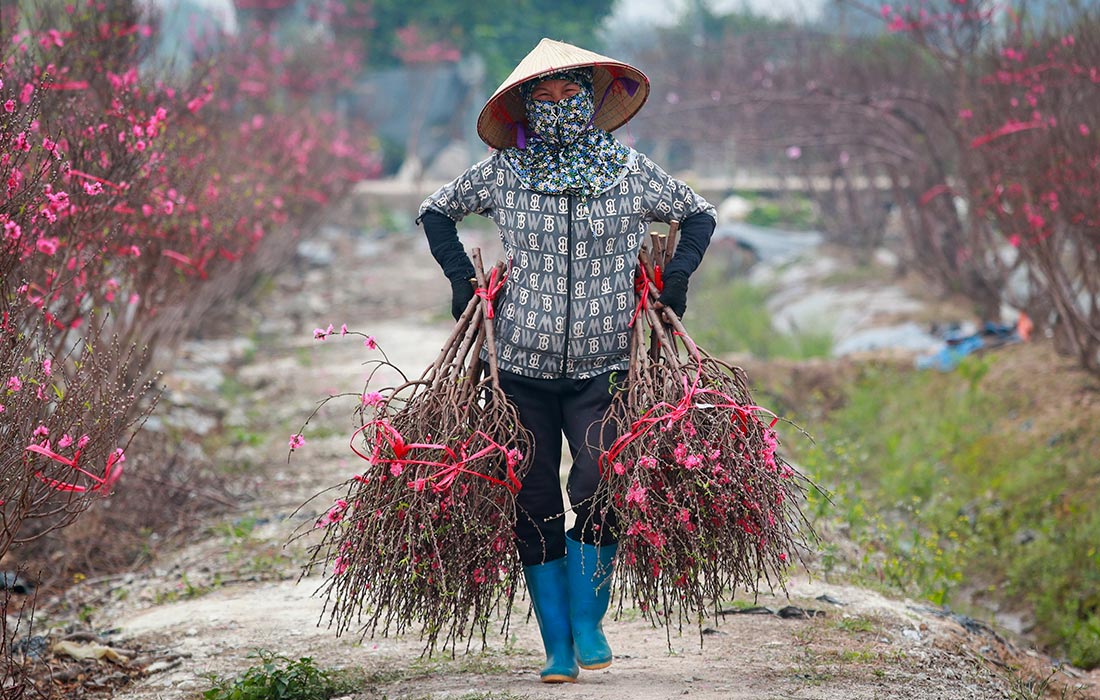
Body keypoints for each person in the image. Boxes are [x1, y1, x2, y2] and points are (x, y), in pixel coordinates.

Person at [418, 38, 717, 683]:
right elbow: (435, 211)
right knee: (531, 500)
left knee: (599, 479)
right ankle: (557, 646)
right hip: (519, 366)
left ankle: (588, 620)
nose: (558, 105)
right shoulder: (504, 171)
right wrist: (459, 282)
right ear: (525, 105)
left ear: (591, 96)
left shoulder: (628, 171)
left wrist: (679, 279)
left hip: (605, 364)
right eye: (543, 96)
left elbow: (699, 216)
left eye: (569, 92)